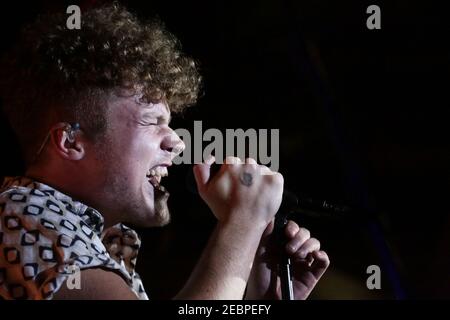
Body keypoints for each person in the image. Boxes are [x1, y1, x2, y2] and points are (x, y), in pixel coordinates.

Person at [0, 3, 329, 300]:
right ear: (71, 141)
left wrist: (262, 299)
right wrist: (243, 222)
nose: (177, 142)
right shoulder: (24, 217)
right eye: (151, 122)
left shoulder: (94, 238)